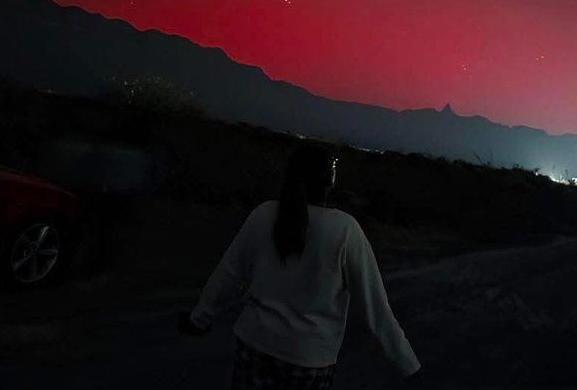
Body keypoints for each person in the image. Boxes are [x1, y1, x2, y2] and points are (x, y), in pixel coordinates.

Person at [179, 143, 421, 388]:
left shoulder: (264, 214)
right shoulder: (345, 230)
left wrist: (199, 319)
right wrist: (407, 364)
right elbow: (376, 309)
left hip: (255, 348)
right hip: (309, 362)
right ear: (330, 180)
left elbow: (228, 275)